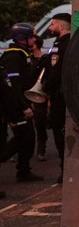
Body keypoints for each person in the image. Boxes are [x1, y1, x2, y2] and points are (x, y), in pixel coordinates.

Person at [1, 23, 43, 182]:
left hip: (21, 102)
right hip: (15, 105)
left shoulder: (23, 54)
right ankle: (19, 168)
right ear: (22, 38)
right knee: (23, 137)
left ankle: (24, 170)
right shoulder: (13, 56)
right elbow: (14, 86)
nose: (34, 39)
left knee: (28, 137)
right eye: (31, 37)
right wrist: (22, 107)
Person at [40, 12, 71, 183]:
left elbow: (55, 69)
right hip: (68, 92)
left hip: (59, 94)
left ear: (60, 26)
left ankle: (64, 171)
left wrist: (45, 87)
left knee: (59, 131)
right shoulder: (74, 41)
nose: (50, 28)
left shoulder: (60, 44)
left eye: (52, 25)